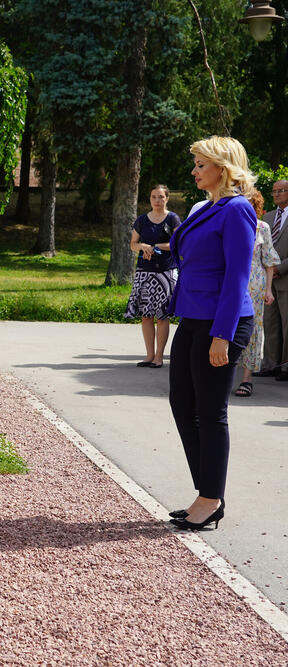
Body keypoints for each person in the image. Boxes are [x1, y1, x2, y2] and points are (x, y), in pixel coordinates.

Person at [167, 136, 257, 531]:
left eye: (201, 164)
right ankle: (206, 490)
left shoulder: (237, 210)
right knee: (182, 404)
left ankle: (210, 498)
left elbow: (238, 278)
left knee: (210, 412)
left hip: (223, 322)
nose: (194, 170)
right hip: (193, 318)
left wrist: (222, 335)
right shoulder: (210, 207)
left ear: (222, 168)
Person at [124, 185, 179, 368]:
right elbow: (133, 244)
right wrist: (143, 247)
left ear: (167, 199)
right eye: (154, 197)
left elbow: (177, 244)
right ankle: (149, 355)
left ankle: (159, 357)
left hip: (165, 272)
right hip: (145, 272)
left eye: (161, 197)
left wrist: (155, 246)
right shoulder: (141, 220)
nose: (157, 200)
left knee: (162, 316)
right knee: (146, 315)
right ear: (149, 199)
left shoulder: (172, 219)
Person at [234, 191, 280, 397]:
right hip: (232, 281)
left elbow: (269, 261)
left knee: (253, 329)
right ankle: (223, 373)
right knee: (227, 327)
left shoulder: (263, 227)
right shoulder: (231, 225)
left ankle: (247, 378)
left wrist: (268, 289)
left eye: (251, 204)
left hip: (255, 284)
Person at [258, 179, 288, 380]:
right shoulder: (267, 218)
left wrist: (280, 268)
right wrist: (268, 269)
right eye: (274, 191)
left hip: (286, 277)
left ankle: (285, 366)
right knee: (270, 323)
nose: (276, 194)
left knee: (287, 324)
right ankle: (270, 364)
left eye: (282, 190)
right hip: (268, 280)